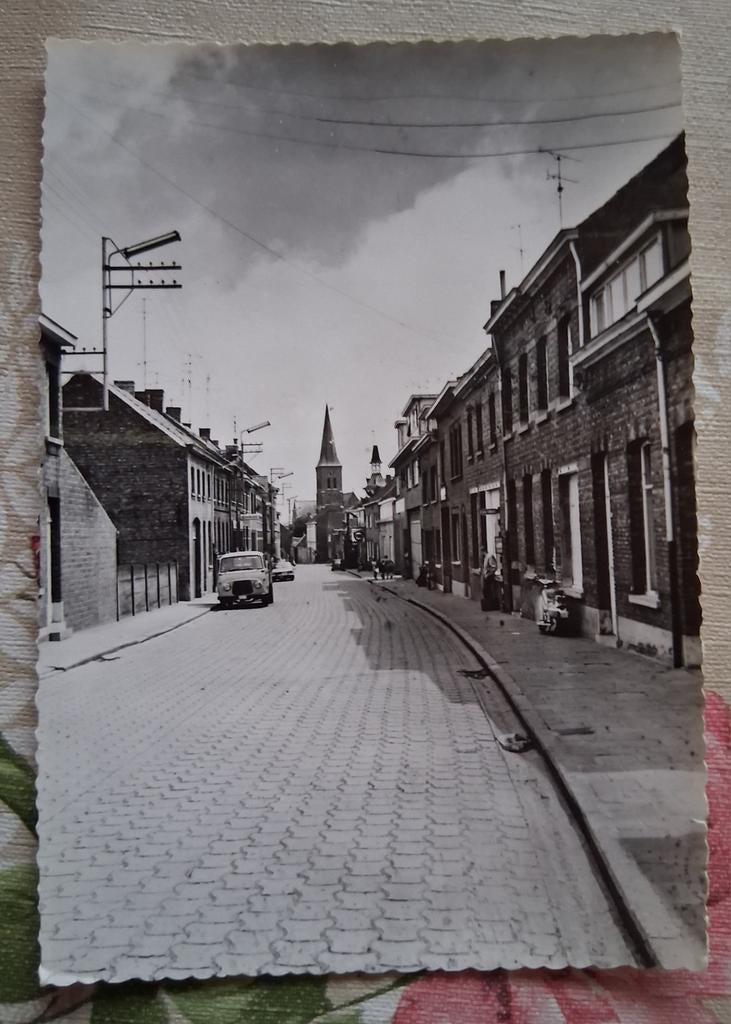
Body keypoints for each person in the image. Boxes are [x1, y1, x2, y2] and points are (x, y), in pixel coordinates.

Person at [480, 546, 498, 611]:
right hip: (486, 577)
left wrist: (488, 574)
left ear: (483, 551)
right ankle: (488, 606)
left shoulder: (489, 557)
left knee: (489, 591)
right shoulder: (486, 557)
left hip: (489, 577)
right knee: (486, 591)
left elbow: (494, 567)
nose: (480, 553)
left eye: (481, 551)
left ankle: (490, 606)